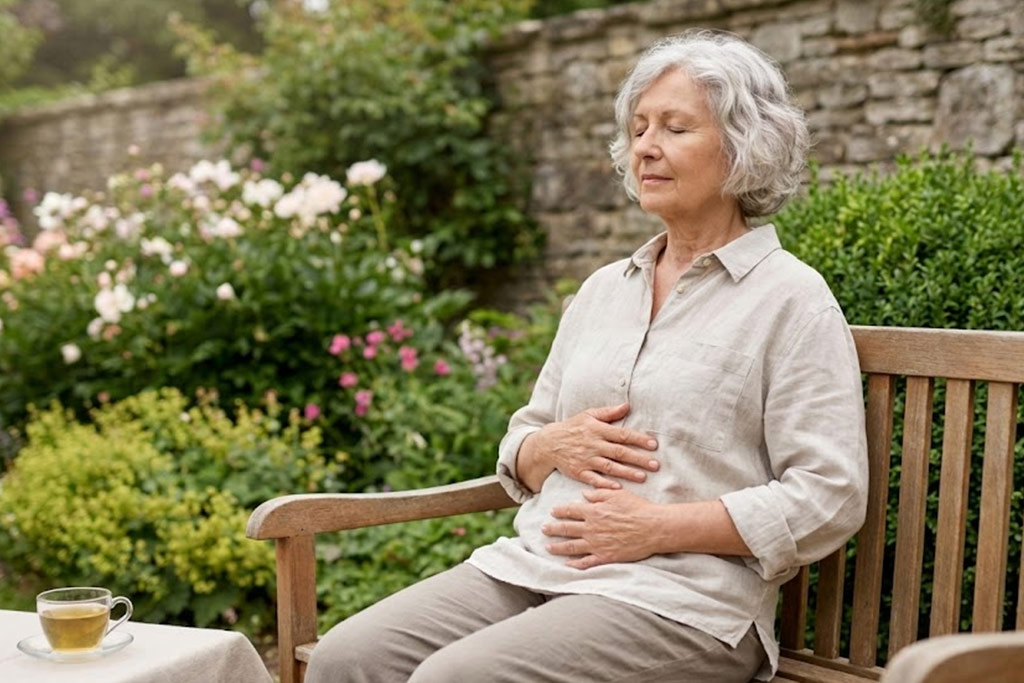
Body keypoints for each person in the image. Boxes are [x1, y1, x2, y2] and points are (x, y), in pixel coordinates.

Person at [306, 29, 868, 683]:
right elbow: (525, 433)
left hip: (682, 603)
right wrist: (546, 449)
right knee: (348, 660)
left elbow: (830, 494)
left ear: (745, 145)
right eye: (639, 128)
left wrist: (659, 527)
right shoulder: (606, 289)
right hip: (536, 566)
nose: (645, 147)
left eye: (674, 128)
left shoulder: (791, 299)